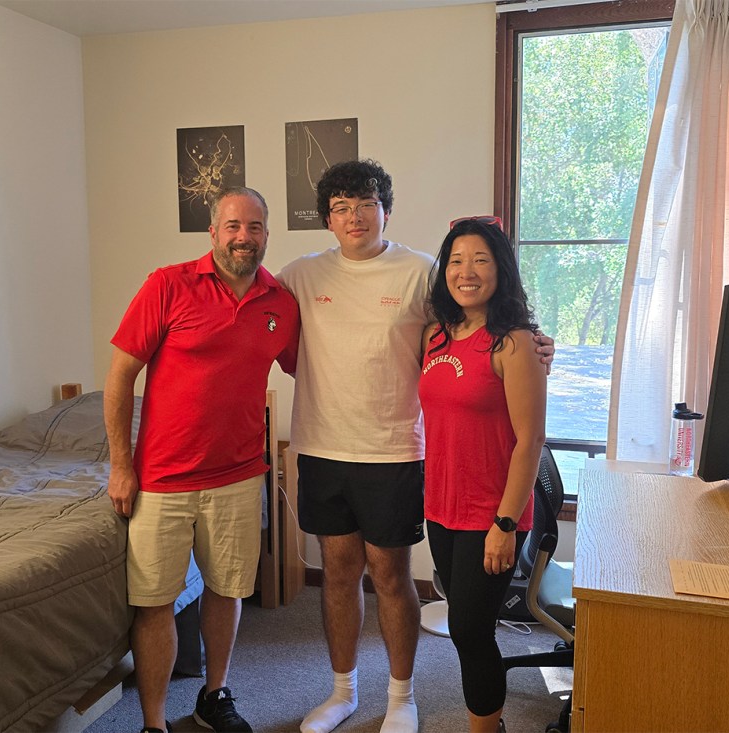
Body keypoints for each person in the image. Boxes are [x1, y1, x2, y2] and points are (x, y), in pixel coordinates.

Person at [276, 159, 554, 733]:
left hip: (395, 450)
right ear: (327, 218)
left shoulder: (421, 272)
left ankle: (402, 697)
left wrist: (537, 347)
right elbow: (268, 334)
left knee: (391, 576)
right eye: (341, 207)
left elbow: (475, 325)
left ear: (386, 210)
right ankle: (341, 691)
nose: (354, 216)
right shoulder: (300, 275)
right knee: (336, 572)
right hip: (323, 447)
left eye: (366, 203)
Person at [104, 186, 299, 733]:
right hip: (163, 479)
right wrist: (123, 465)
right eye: (234, 226)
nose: (244, 237)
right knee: (154, 601)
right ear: (212, 231)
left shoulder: (279, 303)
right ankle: (154, 722)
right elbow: (121, 377)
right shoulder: (167, 285)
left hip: (239, 475)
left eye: (255, 227)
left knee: (228, 588)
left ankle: (214, 695)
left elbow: (321, 361)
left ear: (266, 234)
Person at [419, 217, 547, 733]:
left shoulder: (514, 343)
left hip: (491, 513)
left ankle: (485, 727)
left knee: (471, 631)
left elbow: (530, 440)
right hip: (441, 506)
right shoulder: (434, 335)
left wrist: (506, 522)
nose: (466, 272)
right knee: (461, 621)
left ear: (501, 270)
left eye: (480, 260)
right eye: (455, 261)